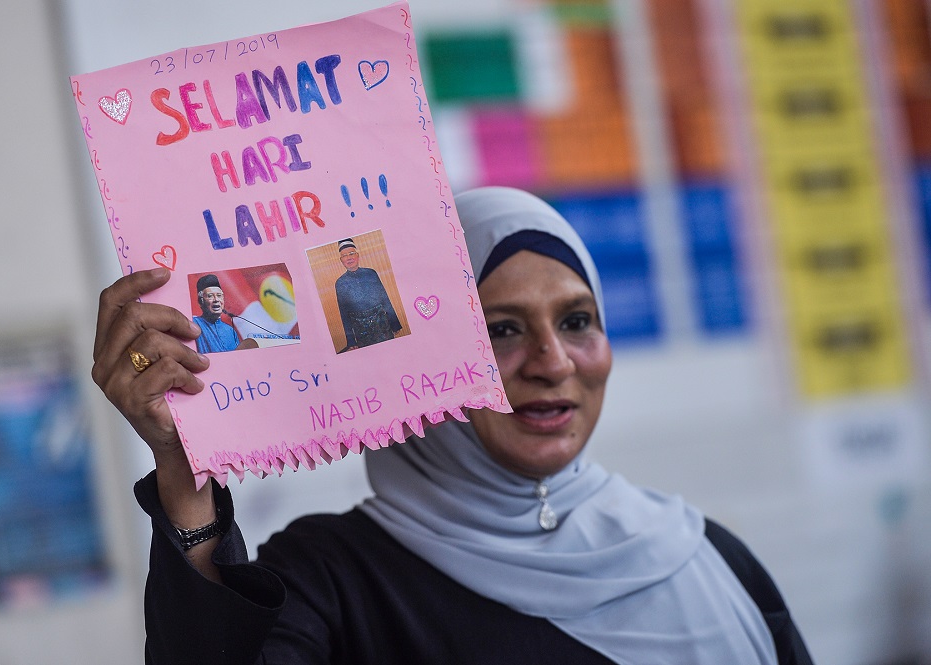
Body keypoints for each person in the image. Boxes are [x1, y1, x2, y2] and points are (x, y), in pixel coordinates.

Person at [91, 187, 812, 664]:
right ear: (431, 351)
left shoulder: (704, 554)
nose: (553, 360)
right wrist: (185, 467)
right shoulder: (333, 580)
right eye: (500, 328)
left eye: (577, 320)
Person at [333, 238, 403, 351]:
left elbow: (384, 298)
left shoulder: (371, 273)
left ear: (357, 255)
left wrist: (394, 323)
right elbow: (344, 314)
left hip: (382, 325)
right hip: (361, 331)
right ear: (341, 260)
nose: (349, 257)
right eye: (345, 255)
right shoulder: (340, 283)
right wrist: (351, 340)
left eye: (352, 253)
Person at [192, 274, 241, 354]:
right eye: (210, 296)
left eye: (219, 296)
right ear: (200, 302)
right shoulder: (194, 323)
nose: (216, 300)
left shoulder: (230, 330)